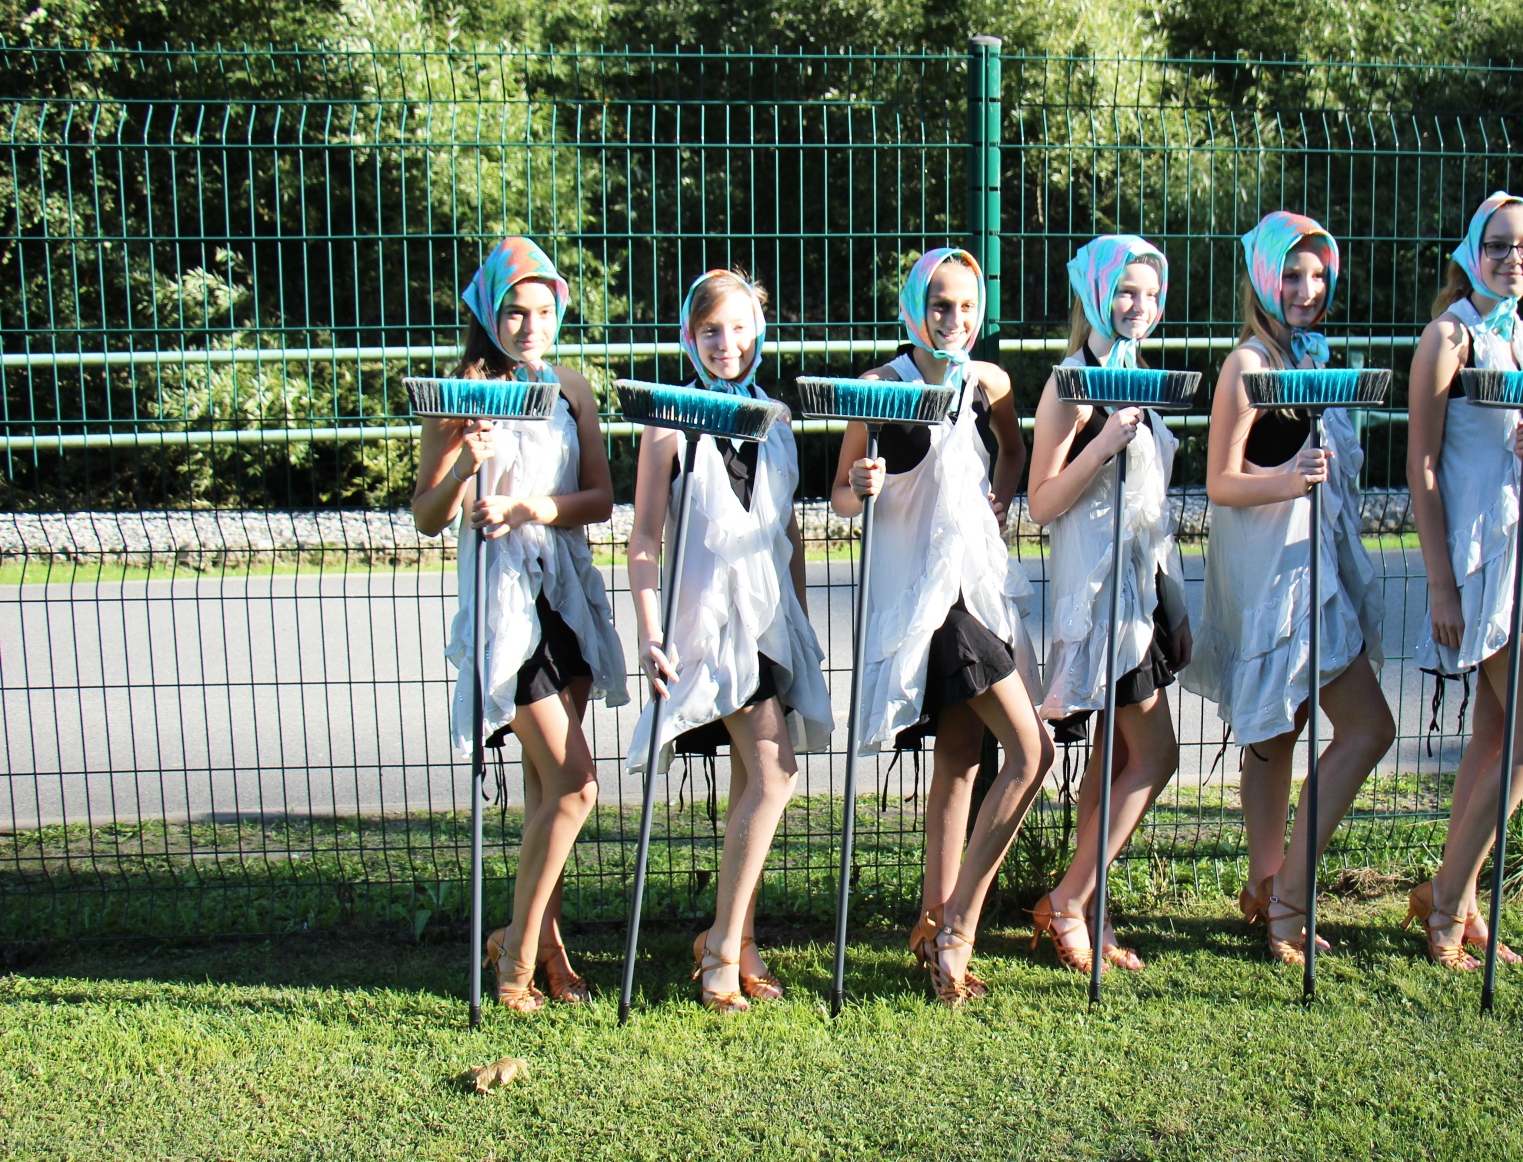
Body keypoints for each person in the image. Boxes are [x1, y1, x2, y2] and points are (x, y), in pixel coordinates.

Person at [829, 247, 1054, 1007]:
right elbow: (840, 497)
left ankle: (933, 923)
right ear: (914, 308)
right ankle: (959, 925)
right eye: (939, 305)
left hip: (974, 586)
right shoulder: (879, 388)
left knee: (961, 758)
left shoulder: (989, 382)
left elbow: (1013, 450)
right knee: (1031, 751)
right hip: (923, 599)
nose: (954, 319)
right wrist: (859, 485)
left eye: (966, 306)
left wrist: (1001, 497)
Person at [411, 237, 629, 1012]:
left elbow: (600, 499)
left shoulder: (571, 389)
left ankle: (544, 948)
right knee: (575, 786)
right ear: (488, 315)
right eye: (514, 312)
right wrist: (466, 469)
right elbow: (426, 515)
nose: (531, 326)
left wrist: (533, 507)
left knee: (548, 800)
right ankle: (514, 961)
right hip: (507, 609)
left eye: (543, 311)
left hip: (565, 599)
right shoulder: (461, 394)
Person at [1185, 212, 1394, 964]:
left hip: (1315, 566)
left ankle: (1264, 884)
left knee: (1279, 732)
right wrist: (1289, 478)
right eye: (1291, 274)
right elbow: (1220, 482)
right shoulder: (1248, 363)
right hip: (1274, 576)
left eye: (1317, 275)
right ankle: (1289, 901)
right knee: (1367, 729)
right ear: (1262, 279)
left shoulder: (1316, 357)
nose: (1306, 289)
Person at [625, 268, 833, 1013]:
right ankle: (720, 950)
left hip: (770, 623)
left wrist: (801, 622)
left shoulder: (774, 419)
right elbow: (644, 540)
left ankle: (737, 941)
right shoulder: (668, 423)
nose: (726, 342)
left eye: (740, 327)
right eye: (711, 330)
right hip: (710, 627)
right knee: (775, 777)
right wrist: (650, 631)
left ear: (758, 332)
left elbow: (789, 532)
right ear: (690, 336)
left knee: (754, 781)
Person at [1405, 191, 1523, 971]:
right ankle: (1445, 902)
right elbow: (1423, 464)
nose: (1513, 258)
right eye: (1499, 244)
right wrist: (1441, 585)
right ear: (1473, 250)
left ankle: (1459, 899)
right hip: (1479, 563)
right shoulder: (1449, 336)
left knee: (1498, 736)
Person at [1023, 234, 1190, 973]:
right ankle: (1066, 900)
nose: (1139, 306)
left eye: (1151, 294)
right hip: (1099, 601)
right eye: (1125, 291)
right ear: (1094, 295)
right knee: (1157, 755)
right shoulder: (1070, 383)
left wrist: (1172, 601)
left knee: (1111, 760)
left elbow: (1151, 503)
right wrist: (1099, 447)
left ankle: (1088, 911)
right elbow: (1039, 503)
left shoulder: (1142, 377)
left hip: (1141, 592)